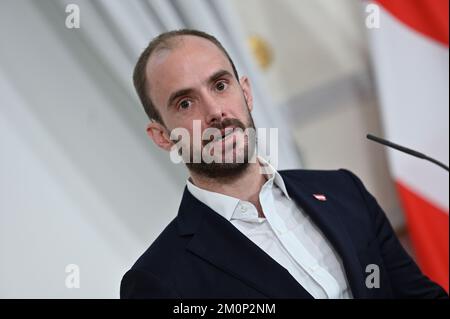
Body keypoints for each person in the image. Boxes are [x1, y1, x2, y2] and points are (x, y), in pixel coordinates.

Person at [120, 29, 447, 299]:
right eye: (185, 103)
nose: (215, 112)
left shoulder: (344, 191)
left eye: (220, 86)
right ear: (162, 136)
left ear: (246, 93)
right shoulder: (158, 280)